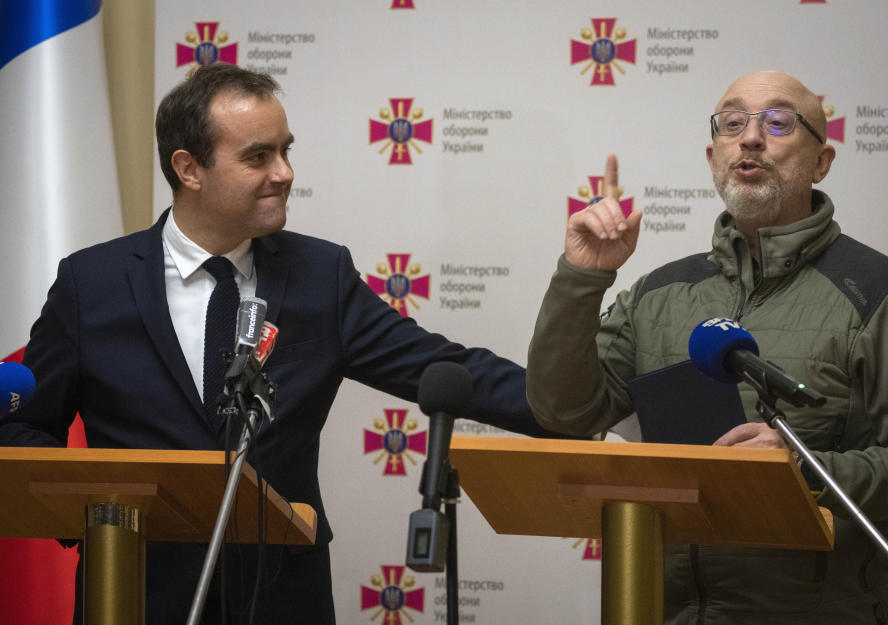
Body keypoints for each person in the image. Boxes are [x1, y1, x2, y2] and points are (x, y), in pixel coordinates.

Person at [0, 64, 561, 624]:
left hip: (280, 598)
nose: (285, 172)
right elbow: (24, 427)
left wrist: (585, 405)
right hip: (133, 591)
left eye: (286, 151)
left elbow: (447, 369)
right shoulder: (90, 284)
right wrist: (93, 514)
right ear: (189, 168)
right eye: (258, 156)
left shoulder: (321, 276)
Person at [526, 70, 888, 624]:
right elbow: (564, 413)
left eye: (778, 122)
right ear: (714, 156)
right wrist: (581, 278)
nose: (750, 137)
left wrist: (803, 468)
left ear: (822, 161)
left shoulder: (885, 294)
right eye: (734, 123)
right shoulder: (658, 294)